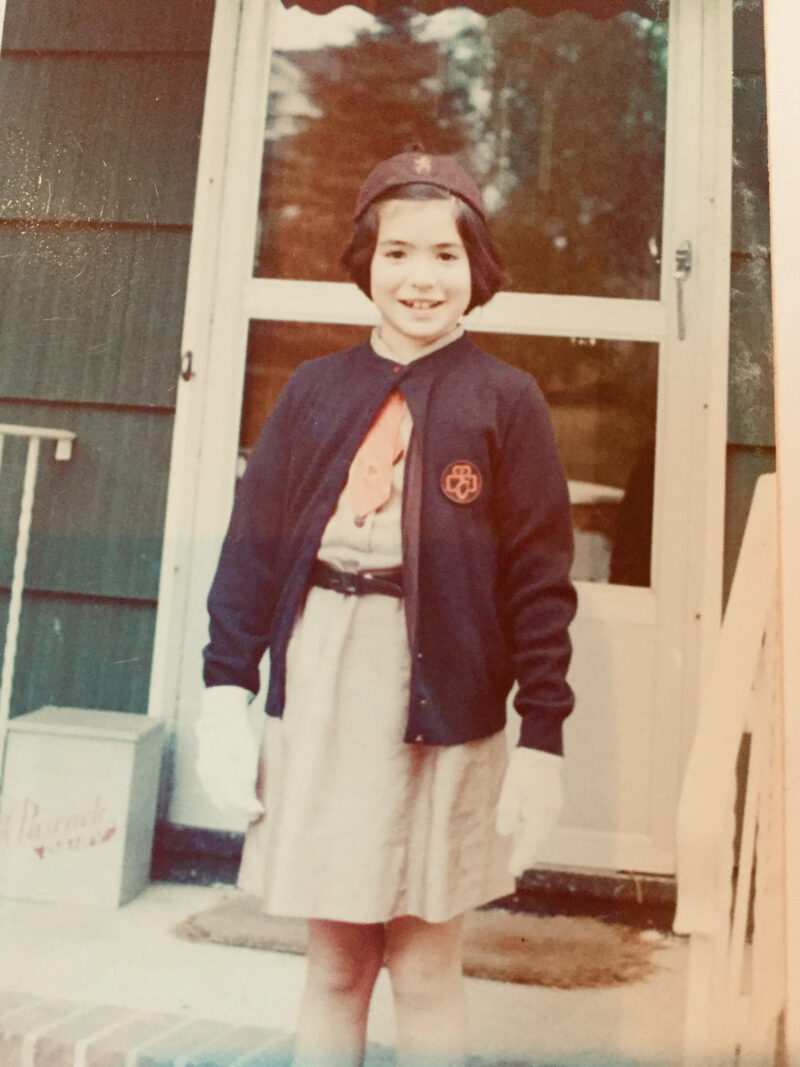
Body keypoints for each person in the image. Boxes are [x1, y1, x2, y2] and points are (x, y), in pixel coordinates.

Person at [196, 151, 577, 1067]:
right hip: (329, 692)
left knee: (425, 962)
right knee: (334, 963)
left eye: (445, 255)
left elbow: (539, 580)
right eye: (399, 252)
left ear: (476, 271)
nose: (421, 277)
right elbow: (251, 551)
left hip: (443, 705)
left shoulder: (506, 401)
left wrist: (543, 736)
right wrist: (223, 690)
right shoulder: (313, 392)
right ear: (365, 261)